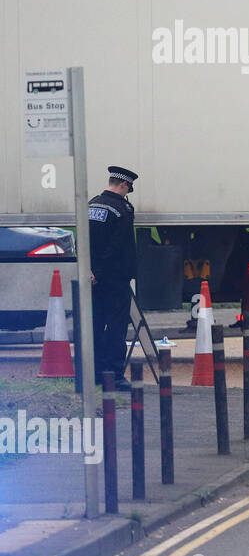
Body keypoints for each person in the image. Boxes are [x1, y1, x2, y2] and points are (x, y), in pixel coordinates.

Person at [88, 166, 139, 389]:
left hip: (92, 278)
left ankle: (96, 374)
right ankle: (115, 376)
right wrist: (101, 272)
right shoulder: (122, 208)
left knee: (96, 325)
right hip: (114, 278)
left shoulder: (91, 204)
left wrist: (90, 271)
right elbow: (116, 247)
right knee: (117, 326)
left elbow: (85, 241)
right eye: (128, 188)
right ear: (124, 185)